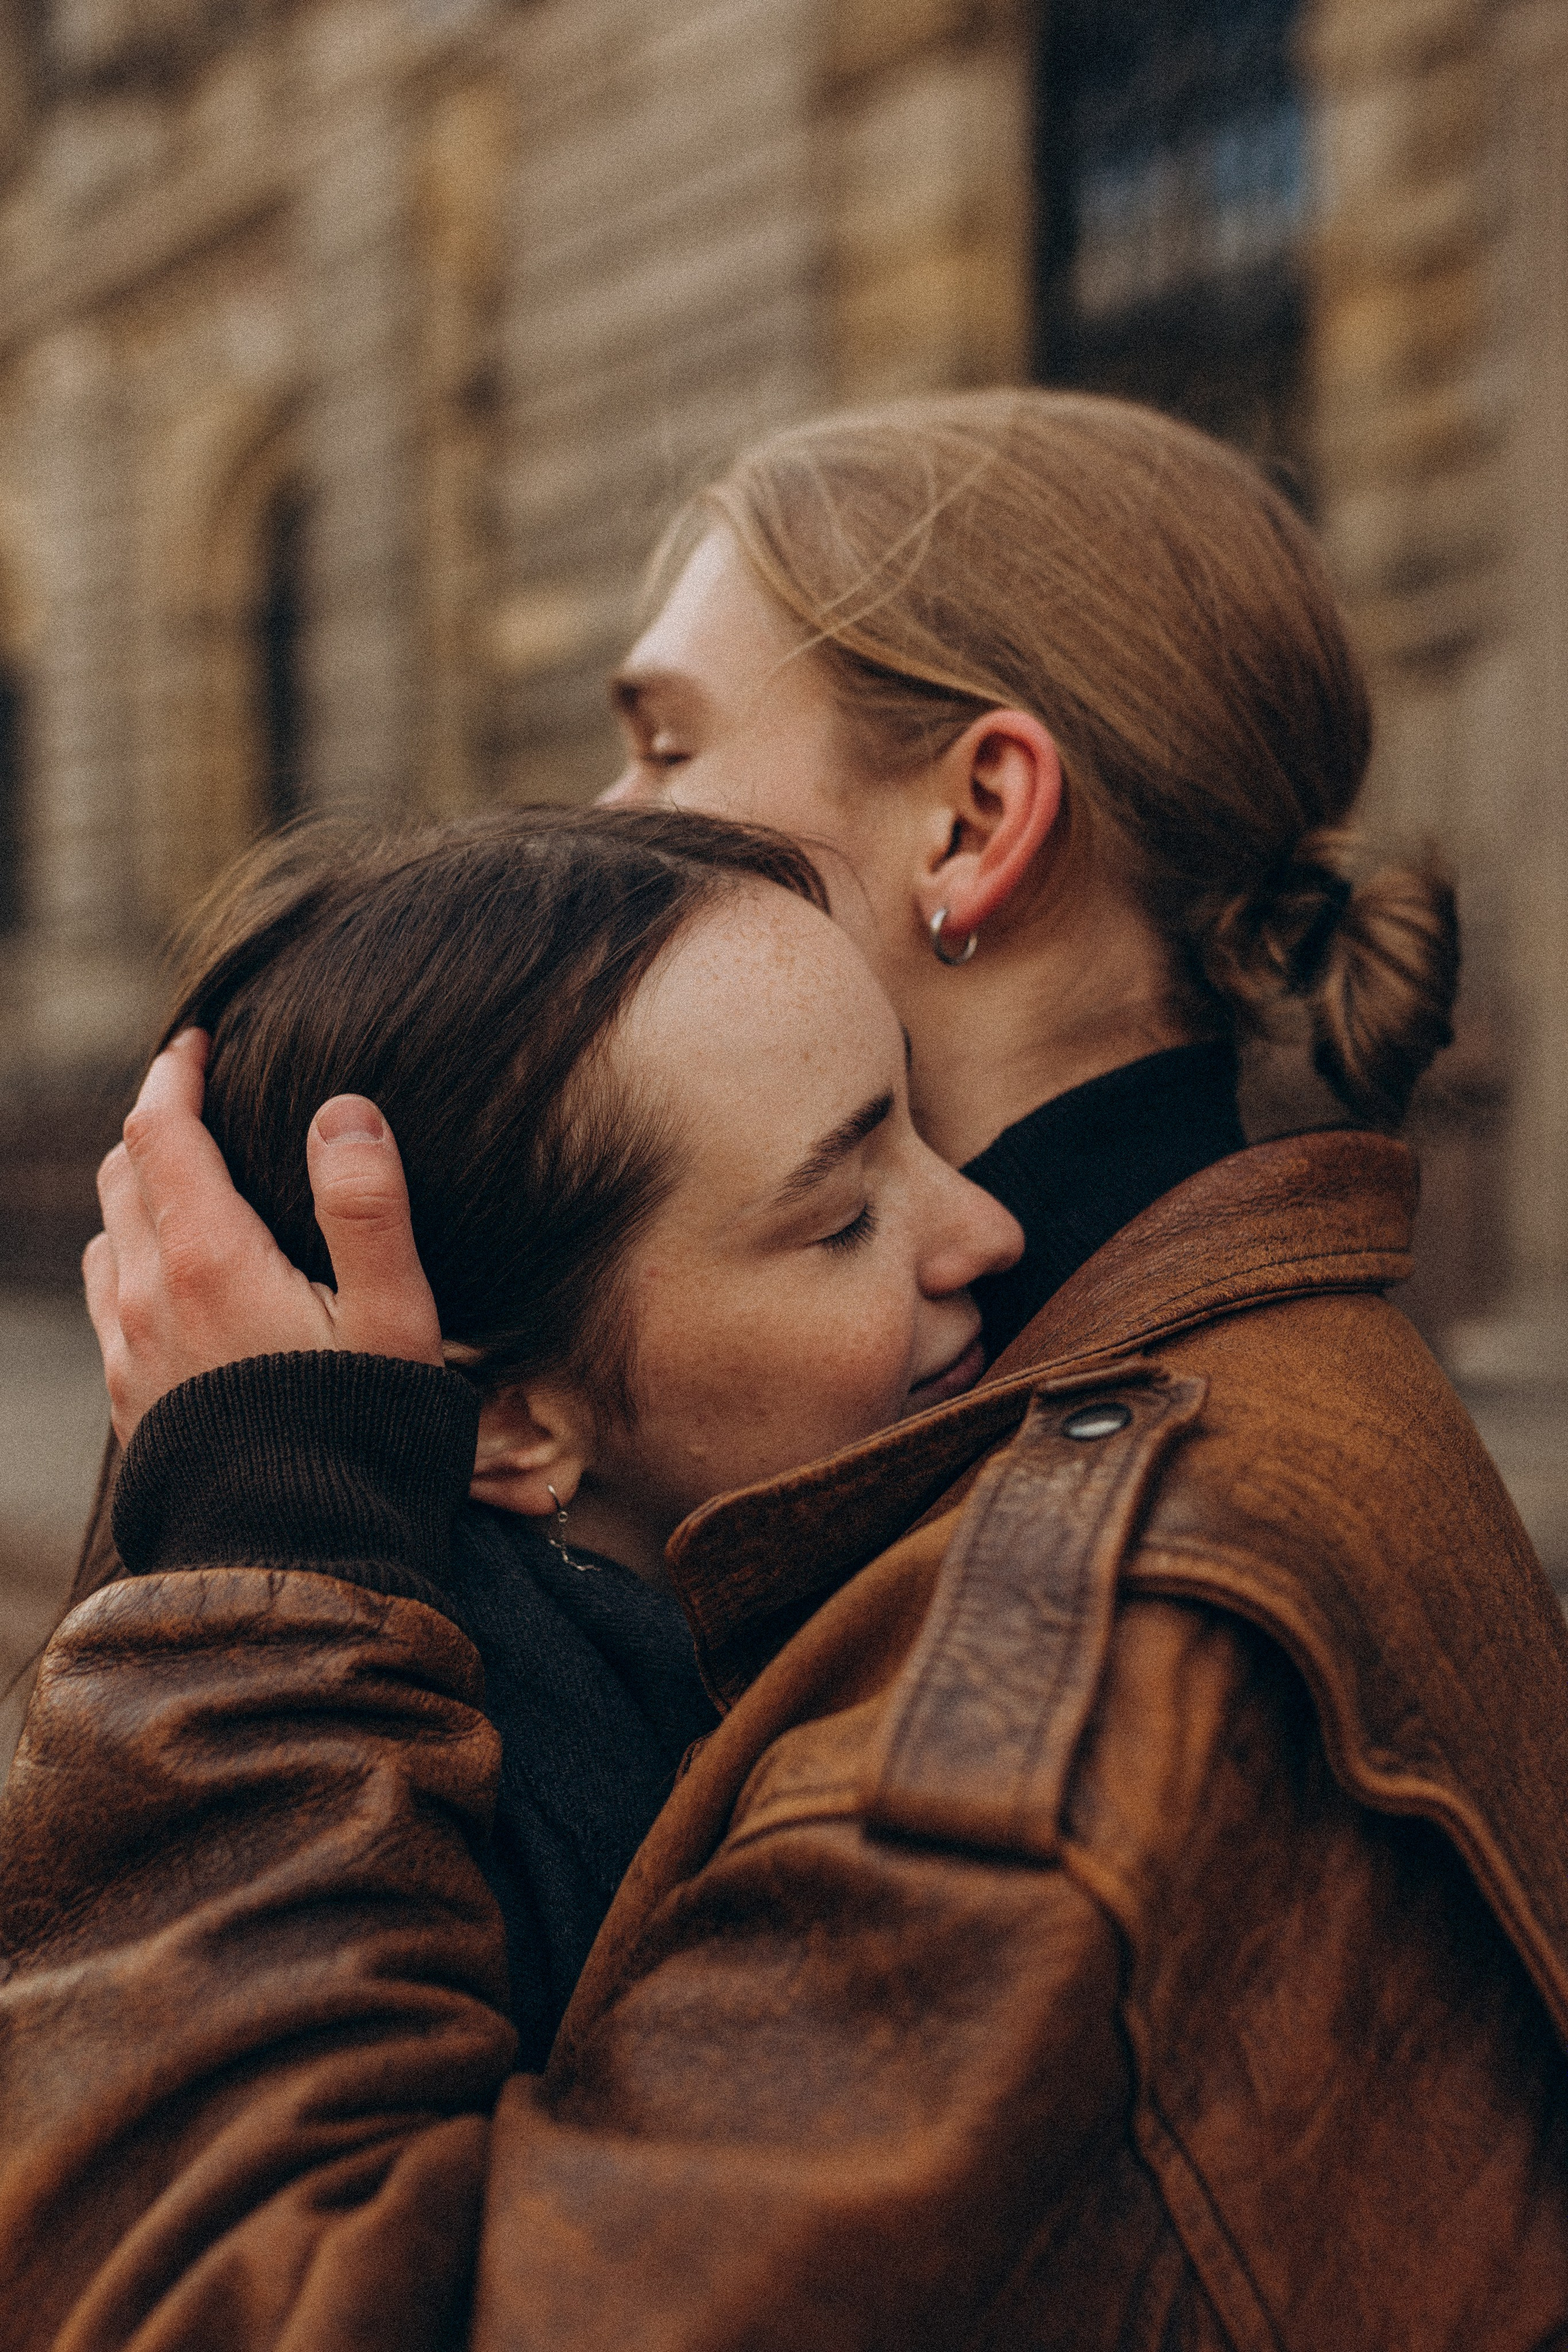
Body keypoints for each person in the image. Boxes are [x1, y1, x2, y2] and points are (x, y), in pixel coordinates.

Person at [3, 389, 1568, 2350]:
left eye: (668, 741)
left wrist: (269, 1566)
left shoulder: (1075, 1645)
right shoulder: (1129, 1380)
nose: (606, 817)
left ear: (978, 821)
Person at [64, 802, 1020, 2065]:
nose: (988, 1229)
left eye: (922, 1116)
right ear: (510, 1426)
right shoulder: (529, 1864)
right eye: (842, 1217)